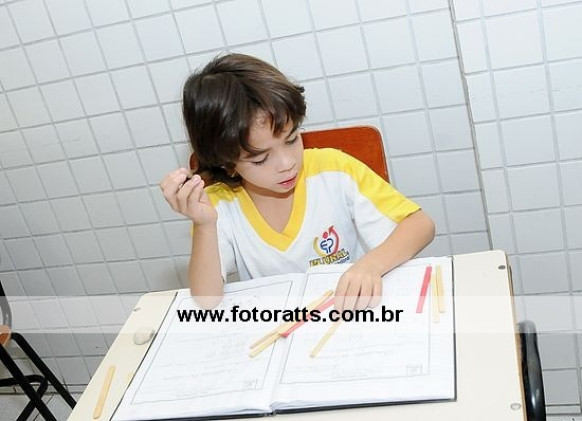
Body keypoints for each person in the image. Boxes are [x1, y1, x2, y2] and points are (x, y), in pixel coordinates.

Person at [160, 53, 435, 311]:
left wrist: (371, 265)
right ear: (227, 163)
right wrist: (204, 225)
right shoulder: (219, 204)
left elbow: (421, 225)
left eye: (292, 139)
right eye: (260, 159)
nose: (287, 163)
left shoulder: (334, 169)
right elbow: (207, 300)